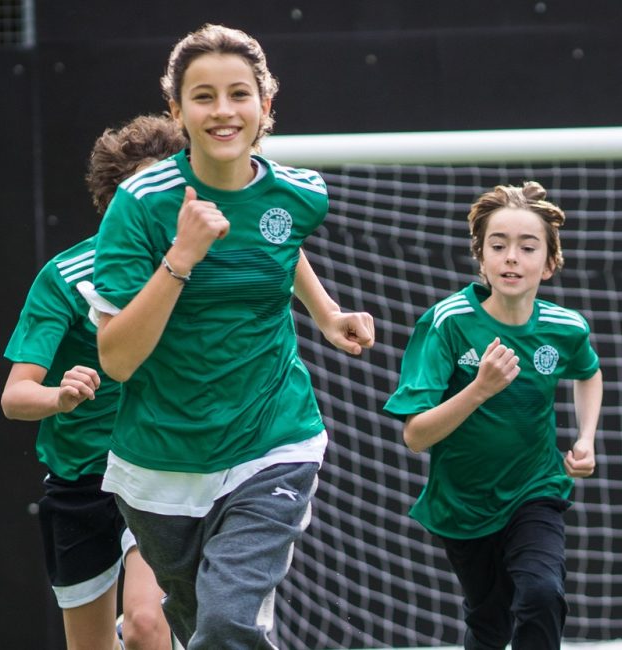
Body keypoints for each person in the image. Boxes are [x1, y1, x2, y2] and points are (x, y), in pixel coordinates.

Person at [82, 24, 374, 648]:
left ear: (266, 105)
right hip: (160, 465)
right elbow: (118, 358)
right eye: (203, 96)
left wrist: (325, 314)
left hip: (274, 441)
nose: (223, 111)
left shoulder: (299, 195)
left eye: (239, 94)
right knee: (200, 630)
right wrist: (181, 257)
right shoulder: (140, 205)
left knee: (226, 623)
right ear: (177, 109)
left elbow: (277, 246)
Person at [384, 181, 602, 650]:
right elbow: (416, 436)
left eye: (527, 247)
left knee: (542, 595)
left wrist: (586, 437)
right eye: (498, 246)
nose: (511, 258)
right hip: (463, 505)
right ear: (480, 257)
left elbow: (589, 372)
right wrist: (479, 389)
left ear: (549, 263)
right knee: (490, 624)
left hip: (535, 490)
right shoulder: (447, 324)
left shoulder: (566, 328)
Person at [2, 114, 182, 650]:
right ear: (115, 199)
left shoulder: (196, 268)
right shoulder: (65, 275)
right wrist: (60, 396)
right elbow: (15, 397)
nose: (156, 201)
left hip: (160, 467)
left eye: (167, 187)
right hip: (79, 483)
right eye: (141, 190)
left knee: (147, 623)